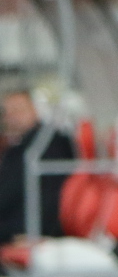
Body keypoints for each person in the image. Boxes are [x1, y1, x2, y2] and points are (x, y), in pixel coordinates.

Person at [0, 87, 73, 244]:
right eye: (7, 112)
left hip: (30, 225)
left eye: (18, 109)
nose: (11, 116)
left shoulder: (46, 146)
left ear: (34, 110)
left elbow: (47, 198)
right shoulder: (23, 148)